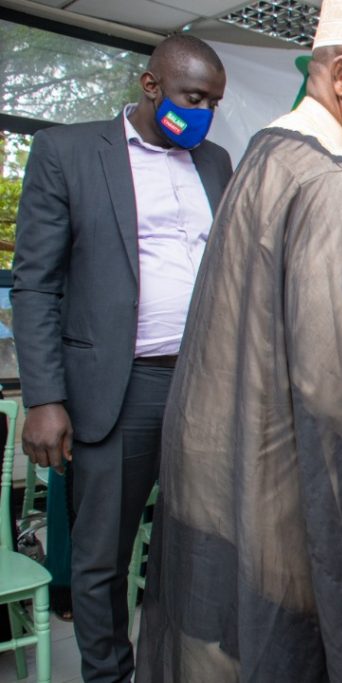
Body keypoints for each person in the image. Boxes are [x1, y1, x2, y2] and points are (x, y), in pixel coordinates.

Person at [135, 1, 342, 681]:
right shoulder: (330, 177)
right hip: (281, 480)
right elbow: (339, 388)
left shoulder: (269, 149)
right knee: (290, 646)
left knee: (219, 635)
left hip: (218, 458)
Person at [11, 34, 231, 683]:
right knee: (101, 553)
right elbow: (36, 282)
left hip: (203, 387)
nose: (204, 113)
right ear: (151, 84)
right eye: (194, 97)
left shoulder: (214, 161)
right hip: (117, 388)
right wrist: (46, 396)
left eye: (214, 102)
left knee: (196, 545)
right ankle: (109, 674)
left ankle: (181, 666)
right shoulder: (69, 152)